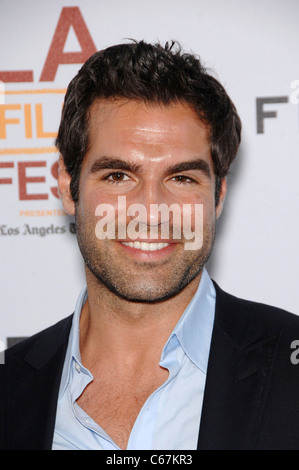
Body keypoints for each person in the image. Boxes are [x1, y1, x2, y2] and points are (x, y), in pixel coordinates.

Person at [1, 40, 299, 451]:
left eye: (182, 179)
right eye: (118, 176)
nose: (151, 211)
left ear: (218, 196)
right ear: (68, 188)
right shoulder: (9, 385)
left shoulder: (290, 365)